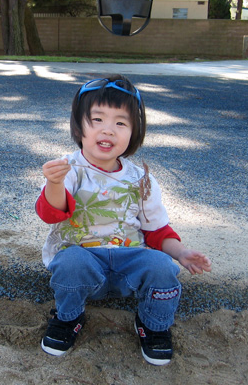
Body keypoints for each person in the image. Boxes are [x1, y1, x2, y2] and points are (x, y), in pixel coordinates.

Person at [35, 75, 211, 365]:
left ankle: (153, 326)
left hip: (130, 259)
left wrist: (181, 253)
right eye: (97, 119)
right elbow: (50, 213)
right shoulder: (69, 168)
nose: (108, 130)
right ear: (79, 126)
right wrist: (54, 184)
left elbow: (156, 231)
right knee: (69, 263)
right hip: (83, 258)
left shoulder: (140, 179)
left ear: (134, 132)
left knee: (163, 267)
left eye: (120, 123)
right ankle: (69, 318)